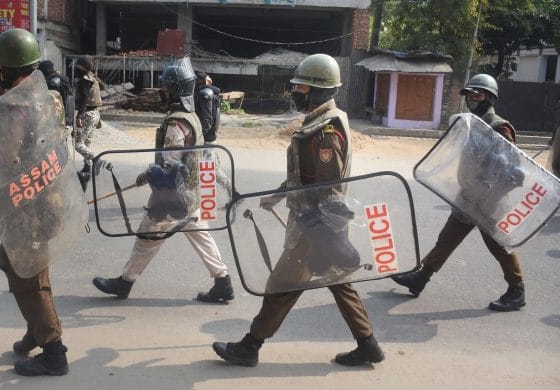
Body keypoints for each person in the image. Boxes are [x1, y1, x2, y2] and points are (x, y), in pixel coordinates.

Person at [211, 54, 385, 367]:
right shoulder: (319, 122)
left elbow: (326, 187)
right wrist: (279, 195)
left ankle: (250, 345)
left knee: (282, 283)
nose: (296, 92)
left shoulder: (326, 131)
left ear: (320, 90)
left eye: (302, 87)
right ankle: (368, 343)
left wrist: (316, 227)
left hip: (315, 224)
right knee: (338, 280)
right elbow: (304, 175)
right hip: (320, 224)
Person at [91, 58, 235, 303]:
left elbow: (171, 163)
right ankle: (223, 282)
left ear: (175, 90)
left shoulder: (176, 122)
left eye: (165, 88)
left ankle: (124, 283)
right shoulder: (193, 117)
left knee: (147, 237)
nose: (162, 92)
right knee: (201, 235)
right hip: (191, 193)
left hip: (171, 196)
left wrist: (149, 174)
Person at [392, 74, 526, 312]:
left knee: (499, 247)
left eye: (478, 94)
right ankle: (421, 278)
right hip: (468, 197)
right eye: (470, 95)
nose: (473, 99)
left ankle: (517, 291)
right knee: (447, 239)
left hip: (489, 202)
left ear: (490, 97)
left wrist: (490, 194)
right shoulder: (471, 123)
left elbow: (515, 173)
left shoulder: (499, 127)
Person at [0, 28, 69, 376]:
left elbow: (1, 157)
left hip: (26, 203)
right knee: (19, 266)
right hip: (50, 197)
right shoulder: (49, 97)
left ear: (4, 69)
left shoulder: (14, 107)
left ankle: (54, 351)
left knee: (27, 274)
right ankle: (36, 328)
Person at [73, 56, 103, 191]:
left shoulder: (85, 80)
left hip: (86, 114)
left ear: (81, 67)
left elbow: (84, 99)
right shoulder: (93, 78)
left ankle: (96, 160)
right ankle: (87, 169)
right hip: (95, 114)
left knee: (78, 145)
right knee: (87, 143)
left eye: (78, 66)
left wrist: (79, 115)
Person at [39, 59, 75, 129]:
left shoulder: (52, 82)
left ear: (44, 72)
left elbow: (52, 101)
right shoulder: (63, 78)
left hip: (59, 116)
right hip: (68, 112)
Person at [194, 71, 221, 143]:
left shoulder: (205, 93)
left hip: (206, 137)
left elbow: (207, 117)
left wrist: (202, 135)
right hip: (210, 134)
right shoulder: (210, 91)